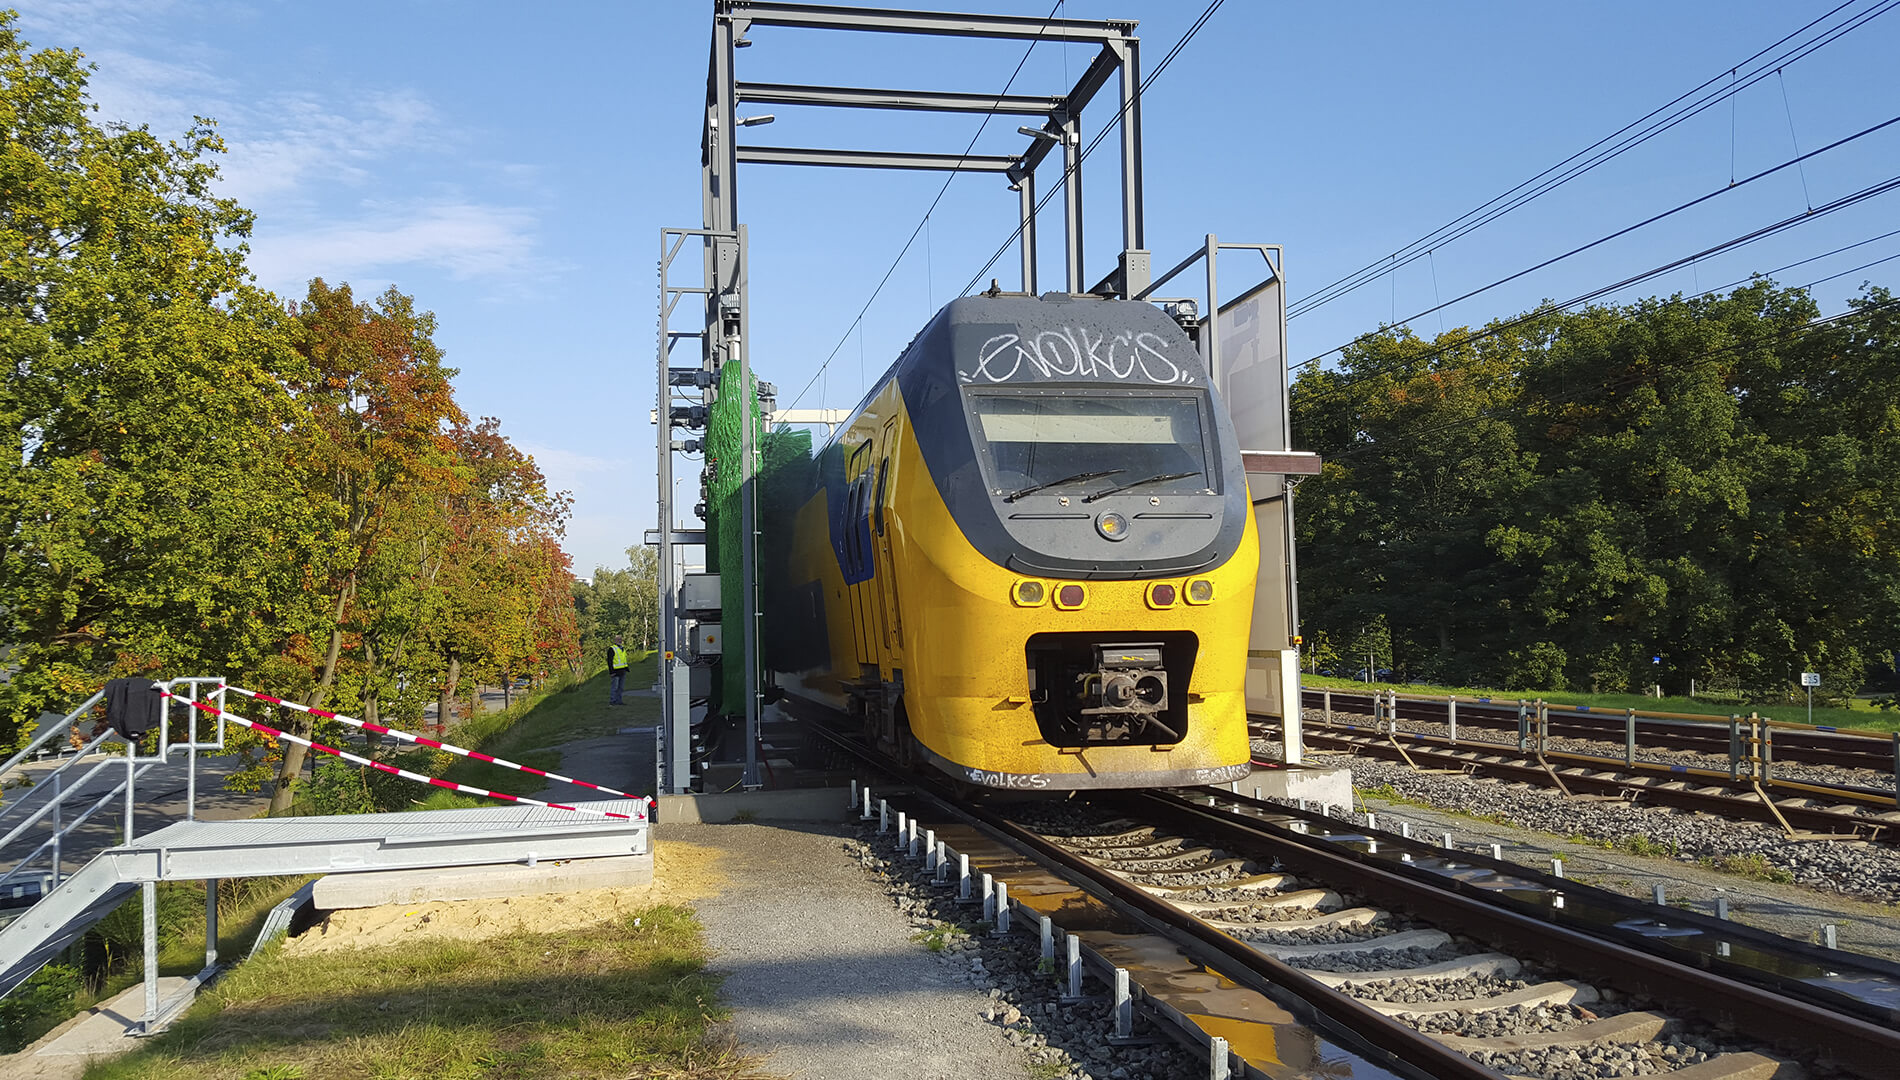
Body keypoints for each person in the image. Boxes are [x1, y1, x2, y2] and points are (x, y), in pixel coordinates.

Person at [607, 636, 630, 706]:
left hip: (622, 670)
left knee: (621, 687)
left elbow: (623, 659)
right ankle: (613, 701)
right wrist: (611, 672)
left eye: (621, 639)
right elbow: (610, 661)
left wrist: (626, 668)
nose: (620, 641)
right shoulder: (612, 649)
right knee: (615, 687)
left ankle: (619, 701)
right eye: (618, 639)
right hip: (615, 671)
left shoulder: (622, 648)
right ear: (615, 641)